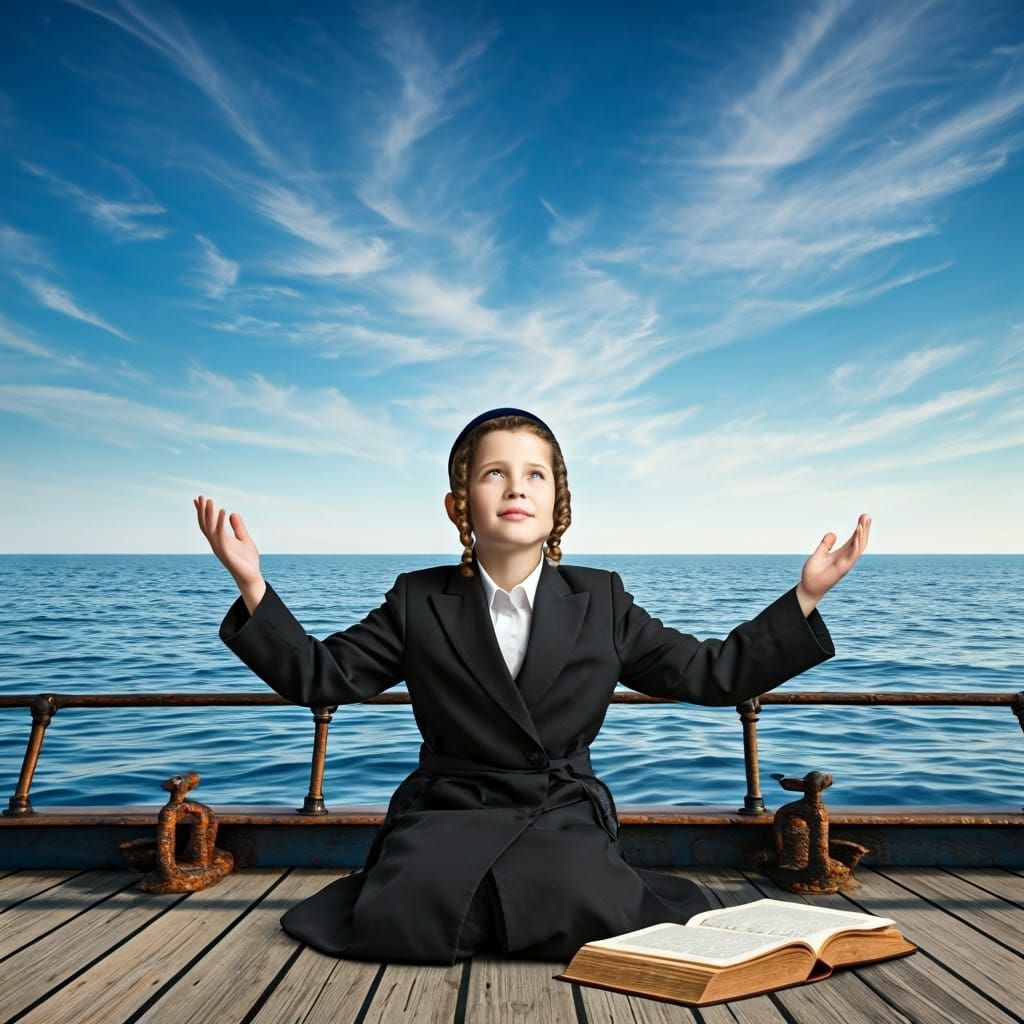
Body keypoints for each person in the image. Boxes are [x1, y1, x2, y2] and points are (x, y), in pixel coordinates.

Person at [194, 407, 871, 965]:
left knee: (584, 898)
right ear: (459, 503)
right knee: (406, 912)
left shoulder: (602, 600)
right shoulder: (416, 599)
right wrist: (253, 585)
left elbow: (710, 672)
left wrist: (804, 598)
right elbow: (322, 676)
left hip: (560, 809)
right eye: (495, 473)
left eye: (534, 475)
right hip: (449, 808)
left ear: (558, 502)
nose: (516, 488)